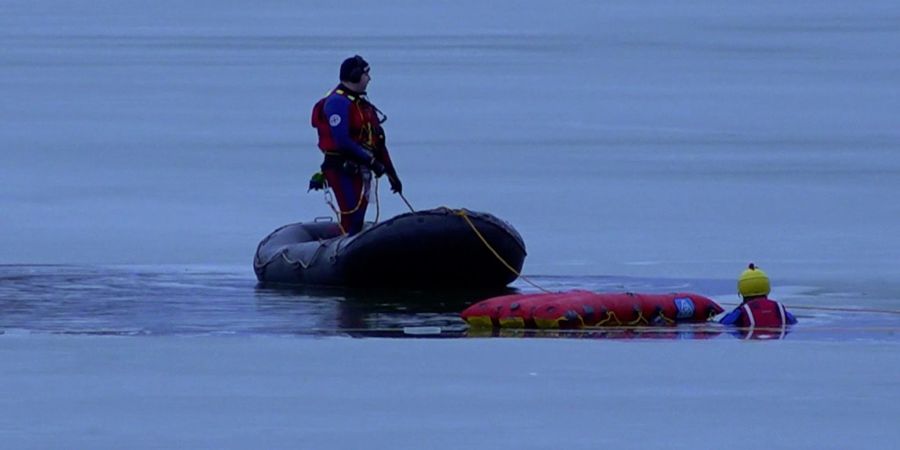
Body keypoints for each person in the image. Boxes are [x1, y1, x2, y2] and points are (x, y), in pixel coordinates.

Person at [310, 55, 402, 235]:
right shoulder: (338, 103)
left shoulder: (363, 105)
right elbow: (342, 140)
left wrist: (393, 175)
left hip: (362, 168)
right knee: (351, 216)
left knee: (358, 217)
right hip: (342, 168)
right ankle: (339, 253)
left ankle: (351, 244)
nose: (369, 79)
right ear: (355, 75)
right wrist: (372, 162)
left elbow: (379, 143)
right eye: (366, 74)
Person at [720, 263, 797, 339]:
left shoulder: (741, 312)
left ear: (741, 290)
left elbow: (724, 324)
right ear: (767, 288)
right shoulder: (779, 309)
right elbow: (793, 321)